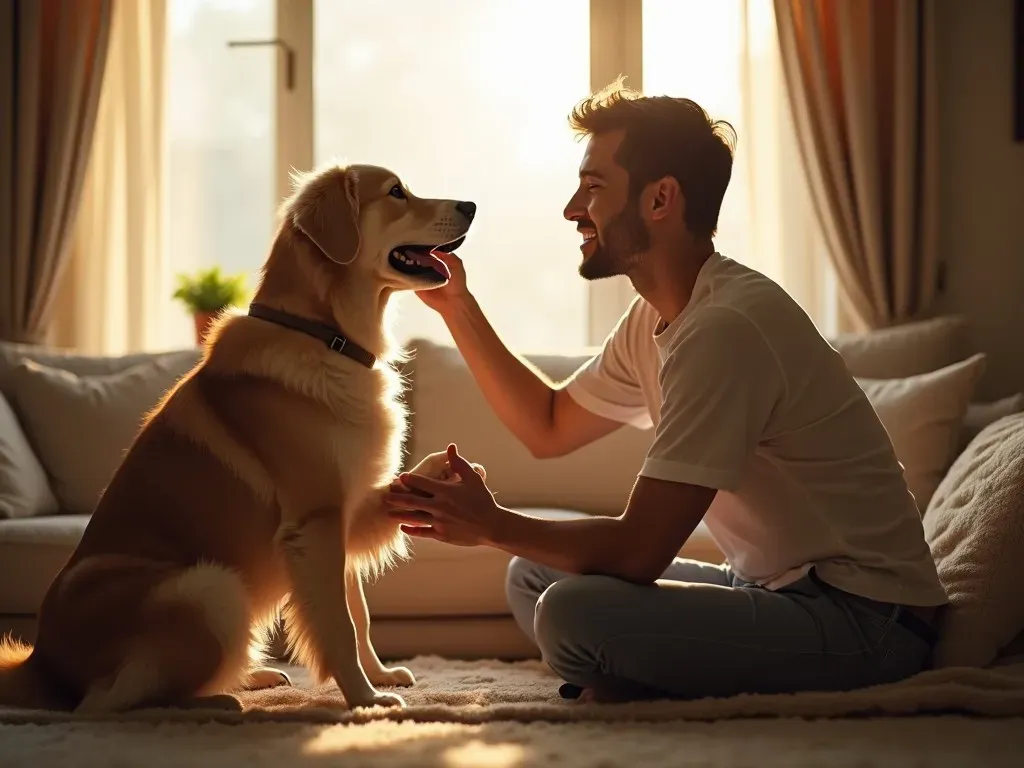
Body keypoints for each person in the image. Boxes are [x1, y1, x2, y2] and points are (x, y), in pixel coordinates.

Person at [383, 81, 947, 703]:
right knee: (534, 577)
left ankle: (637, 674)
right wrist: (457, 306)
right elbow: (547, 426)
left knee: (573, 611)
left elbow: (640, 551)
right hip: (766, 589)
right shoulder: (654, 317)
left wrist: (489, 524)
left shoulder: (726, 330)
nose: (573, 209)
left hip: (867, 622)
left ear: (660, 199)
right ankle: (643, 668)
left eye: (593, 187)